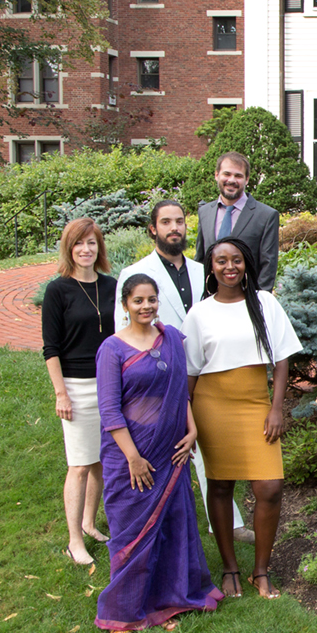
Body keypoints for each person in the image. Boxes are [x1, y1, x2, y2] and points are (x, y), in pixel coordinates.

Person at [95, 275, 222, 633]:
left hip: (171, 451)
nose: (147, 307)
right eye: (138, 301)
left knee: (170, 529)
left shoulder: (170, 340)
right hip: (130, 458)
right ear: (125, 305)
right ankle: (122, 616)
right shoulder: (113, 348)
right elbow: (109, 411)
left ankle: (166, 602)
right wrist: (133, 457)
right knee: (131, 536)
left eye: (152, 300)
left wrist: (193, 430)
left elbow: (180, 393)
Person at [114, 200, 251, 545]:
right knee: (166, 449)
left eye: (179, 222)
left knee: (209, 447)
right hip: (159, 377)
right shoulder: (134, 274)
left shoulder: (200, 270)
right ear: (153, 229)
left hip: (207, 370)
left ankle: (228, 522)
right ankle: (155, 522)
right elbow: (123, 333)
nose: (174, 228)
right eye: (166, 222)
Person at [182, 237, 302, 600]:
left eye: (236, 259)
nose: (229, 266)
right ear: (211, 267)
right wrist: (185, 421)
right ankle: (230, 567)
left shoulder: (264, 303)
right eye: (221, 261)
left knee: (269, 487)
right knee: (219, 485)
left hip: (255, 401)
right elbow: (189, 372)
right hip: (211, 404)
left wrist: (276, 407)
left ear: (246, 264)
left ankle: (260, 571)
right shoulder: (199, 313)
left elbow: (281, 359)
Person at [42, 218, 116, 567]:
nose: (86, 249)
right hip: (76, 387)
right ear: (69, 249)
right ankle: (74, 540)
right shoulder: (58, 291)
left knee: (102, 462)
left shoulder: (113, 286)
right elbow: (50, 348)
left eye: (92, 243)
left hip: (111, 385)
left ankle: (89, 523)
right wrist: (61, 393)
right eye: (79, 244)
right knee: (80, 466)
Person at [194, 152, 281, 291]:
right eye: (227, 174)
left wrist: (258, 303)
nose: (232, 180)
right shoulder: (205, 212)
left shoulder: (266, 216)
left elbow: (268, 267)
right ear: (217, 175)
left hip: (247, 300)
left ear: (246, 179)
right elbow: (200, 260)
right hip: (211, 300)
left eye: (238, 176)